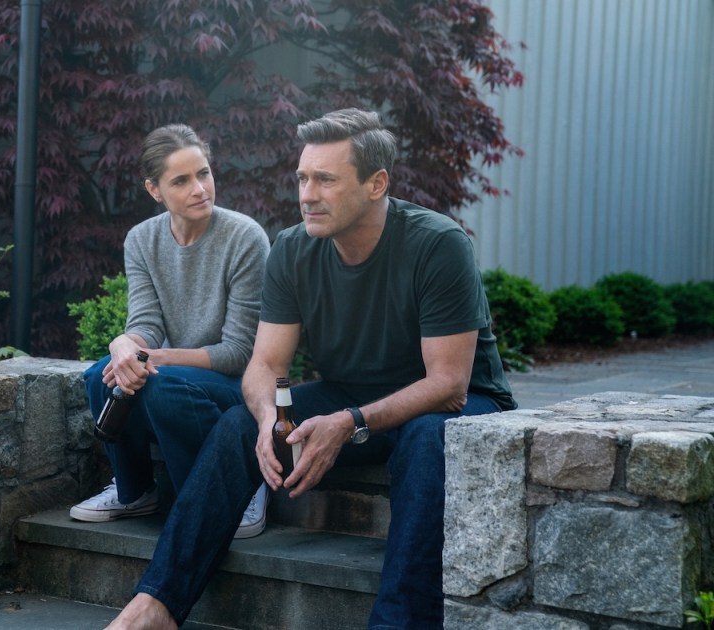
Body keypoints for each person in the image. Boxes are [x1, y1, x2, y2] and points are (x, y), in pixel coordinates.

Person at [105, 108, 517, 630]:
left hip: (455, 406)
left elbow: (448, 385)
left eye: (326, 180)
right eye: (302, 178)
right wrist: (266, 421)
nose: (307, 194)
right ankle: (156, 605)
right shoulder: (293, 248)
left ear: (376, 184)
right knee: (238, 425)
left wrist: (347, 423)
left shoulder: (436, 244)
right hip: (350, 396)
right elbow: (264, 365)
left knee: (425, 440)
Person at [69, 124, 272, 538]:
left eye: (204, 173)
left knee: (160, 386)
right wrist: (123, 345)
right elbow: (146, 325)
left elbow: (239, 351)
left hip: (238, 385)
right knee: (101, 375)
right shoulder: (142, 239)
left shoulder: (245, 237)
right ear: (154, 190)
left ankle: (243, 481)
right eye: (181, 181)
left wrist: (152, 358)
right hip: (179, 376)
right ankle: (134, 491)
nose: (199, 189)